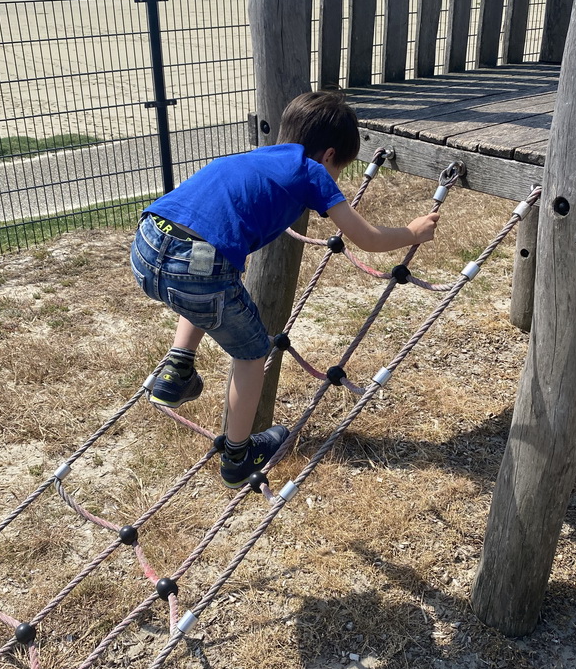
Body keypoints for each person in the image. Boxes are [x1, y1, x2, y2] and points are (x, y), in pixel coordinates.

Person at [130, 91, 439, 488]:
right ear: (329, 155)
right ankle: (238, 457)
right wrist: (412, 232)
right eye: (340, 168)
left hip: (147, 242)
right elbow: (365, 237)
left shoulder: (256, 156)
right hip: (200, 265)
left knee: (206, 293)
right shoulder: (312, 171)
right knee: (252, 352)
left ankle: (176, 371)